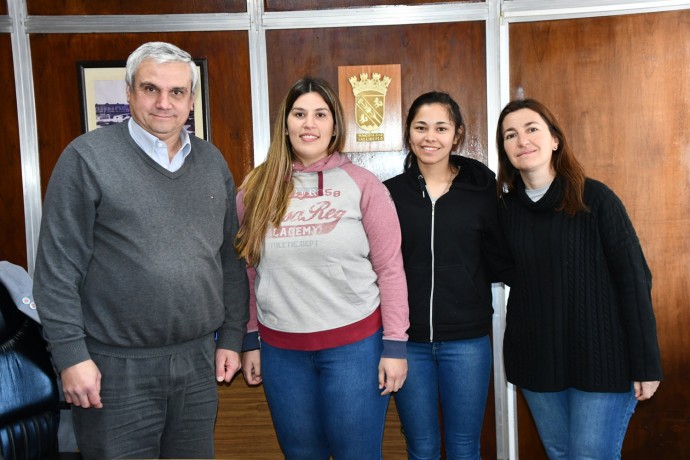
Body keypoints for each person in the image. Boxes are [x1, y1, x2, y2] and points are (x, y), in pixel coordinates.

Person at [33, 41, 249, 459]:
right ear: (129, 92)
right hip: (114, 370)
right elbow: (56, 272)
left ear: (191, 99)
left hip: (197, 363)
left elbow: (230, 260)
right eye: (151, 89)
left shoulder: (210, 161)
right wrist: (71, 357)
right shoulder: (86, 158)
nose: (164, 103)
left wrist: (233, 338)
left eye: (177, 92)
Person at [235, 76, 409, 460]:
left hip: (355, 349)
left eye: (319, 114)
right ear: (285, 123)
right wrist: (250, 339)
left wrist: (395, 345)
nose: (308, 124)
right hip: (281, 352)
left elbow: (391, 270)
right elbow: (248, 273)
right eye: (299, 114)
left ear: (335, 126)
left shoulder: (364, 186)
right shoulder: (255, 190)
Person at [495, 98, 663, 459]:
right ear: (505, 150)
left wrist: (646, 363)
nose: (522, 140)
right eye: (510, 134)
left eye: (532, 129)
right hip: (537, 361)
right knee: (560, 453)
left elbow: (634, 280)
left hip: (603, 361)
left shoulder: (595, 198)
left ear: (555, 139)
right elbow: (501, 268)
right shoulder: (506, 212)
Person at [384, 91, 512, 460]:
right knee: (421, 447)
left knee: (463, 447)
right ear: (408, 134)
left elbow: (500, 255)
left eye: (441, 128)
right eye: (421, 127)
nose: (430, 137)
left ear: (457, 135)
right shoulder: (389, 194)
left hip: (467, 342)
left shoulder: (482, 191)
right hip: (407, 343)